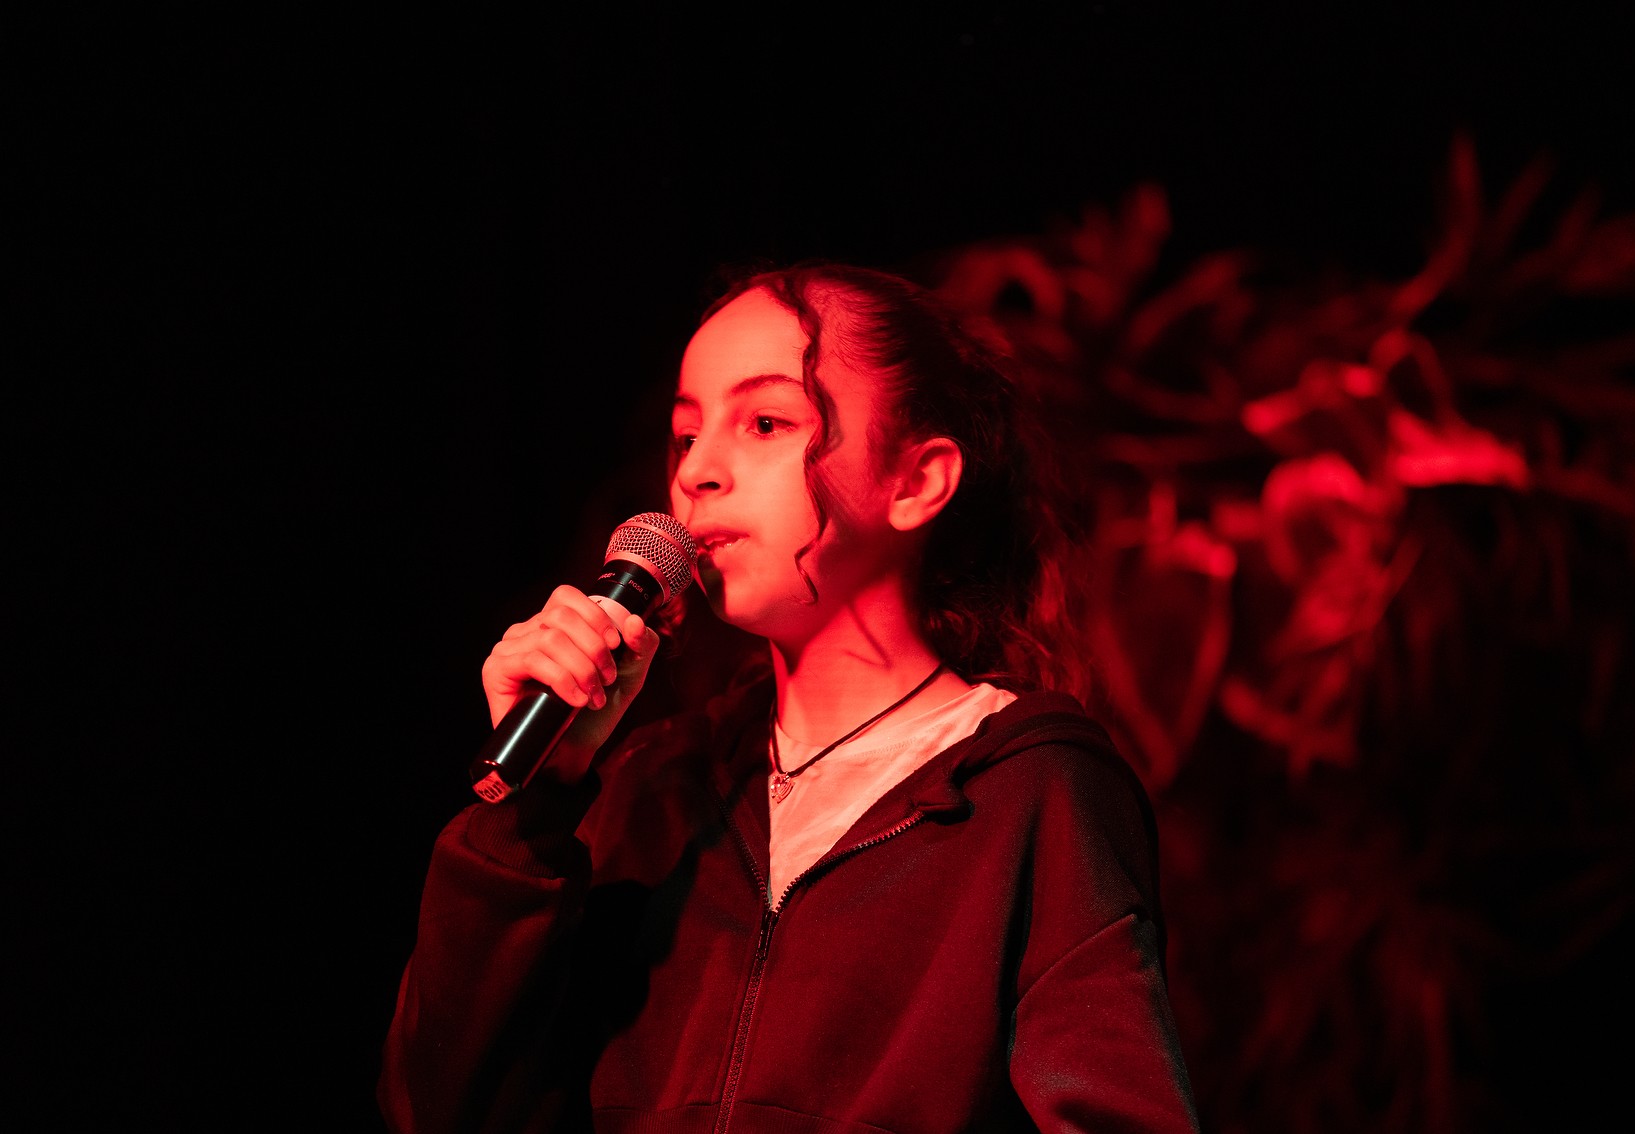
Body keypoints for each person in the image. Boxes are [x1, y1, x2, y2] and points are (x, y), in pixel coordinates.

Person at [379, 263, 1199, 1133]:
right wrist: (533, 808)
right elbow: (436, 1109)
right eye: (685, 436)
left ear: (917, 481)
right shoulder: (652, 790)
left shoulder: (1029, 791)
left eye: (766, 422)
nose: (698, 471)